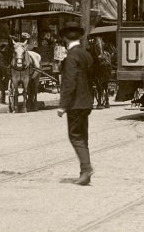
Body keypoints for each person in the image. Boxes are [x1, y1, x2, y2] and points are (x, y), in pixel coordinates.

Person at [57, 21, 95, 186]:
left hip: (75, 103)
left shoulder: (71, 56)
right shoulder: (86, 54)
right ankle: (84, 173)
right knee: (83, 136)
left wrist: (63, 105)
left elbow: (69, 82)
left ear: (65, 38)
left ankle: (86, 169)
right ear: (80, 36)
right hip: (86, 101)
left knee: (76, 136)